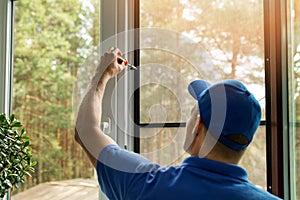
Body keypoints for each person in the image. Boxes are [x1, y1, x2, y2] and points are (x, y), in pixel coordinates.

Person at [75, 47, 282, 200]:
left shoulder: (148, 186)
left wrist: (103, 74)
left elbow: (86, 130)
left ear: (198, 126)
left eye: (192, 114)